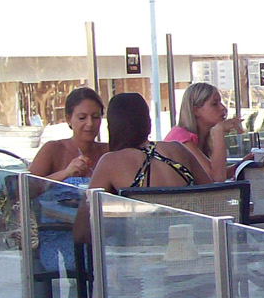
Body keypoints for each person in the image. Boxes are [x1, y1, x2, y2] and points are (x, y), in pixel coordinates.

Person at [28, 87, 107, 298]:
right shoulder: (54, 149)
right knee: (54, 283)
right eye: (82, 117)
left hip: (87, 232)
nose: (89, 124)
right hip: (51, 231)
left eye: (95, 117)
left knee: (83, 283)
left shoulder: (106, 152)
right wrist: (66, 173)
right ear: (69, 119)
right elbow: (29, 185)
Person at [73, 94, 208, 241]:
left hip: (142, 248)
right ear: (148, 122)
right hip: (191, 242)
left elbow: (82, 231)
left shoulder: (110, 162)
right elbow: (214, 197)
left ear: (112, 127)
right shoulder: (177, 148)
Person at [164, 82, 241, 183]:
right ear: (196, 110)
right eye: (214, 104)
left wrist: (242, 165)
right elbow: (217, 177)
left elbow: (216, 173)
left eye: (221, 102)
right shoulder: (181, 137)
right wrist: (219, 131)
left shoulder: (201, 138)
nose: (223, 107)